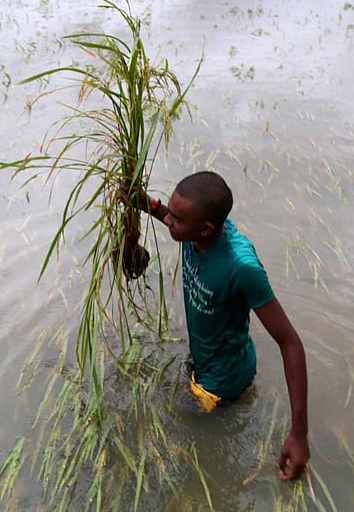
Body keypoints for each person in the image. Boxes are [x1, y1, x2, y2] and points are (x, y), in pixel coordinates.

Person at [128, 171, 309, 481]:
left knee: (179, 434)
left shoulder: (241, 267)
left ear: (206, 228)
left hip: (222, 383)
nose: (169, 221)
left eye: (177, 219)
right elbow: (171, 216)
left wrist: (299, 434)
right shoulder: (196, 232)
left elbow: (290, 342)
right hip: (205, 358)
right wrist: (145, 202)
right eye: (170, 212)